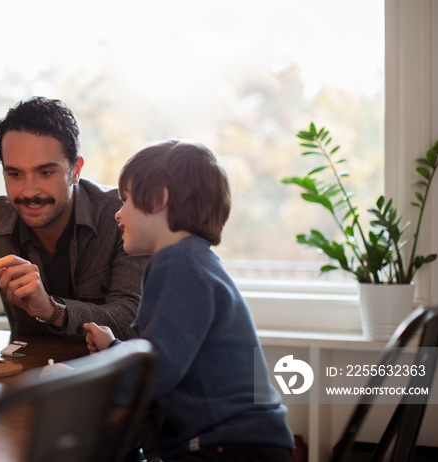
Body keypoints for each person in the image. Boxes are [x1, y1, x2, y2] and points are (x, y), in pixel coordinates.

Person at [83, 140, 295, 462]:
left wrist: (80, 380)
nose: (117, 213)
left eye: (125, 200)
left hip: (227, 446)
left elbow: (157, 372)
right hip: (248, 439)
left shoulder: (178, 265)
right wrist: (114, 346)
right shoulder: (197, 261)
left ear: (158, 198)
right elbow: (161, 351)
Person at [0, 97, 148, 346]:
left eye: (45, 172)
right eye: (15, 174)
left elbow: (133, 321)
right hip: (27, 378)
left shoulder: (122, 216)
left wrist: (53, 310)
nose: (29, 191)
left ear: (75, 169)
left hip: (109, 377)